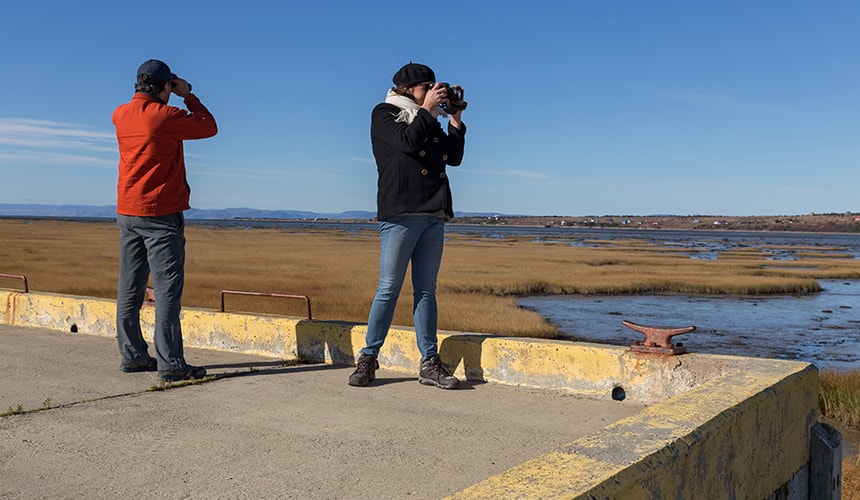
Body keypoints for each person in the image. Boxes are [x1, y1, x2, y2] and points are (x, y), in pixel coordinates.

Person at [349, 62, 467, 389]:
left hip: (433, 211)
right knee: (388, 288)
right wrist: (428, 111)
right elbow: (407, 142)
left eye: (434, 87)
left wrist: (455, 119)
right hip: (401, 211)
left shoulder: (428, 118)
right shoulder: (385, 113)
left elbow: (452, 157)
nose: (431, 93)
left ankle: (429, 363)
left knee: (426, 290)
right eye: (426, 87)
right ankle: (368, 359)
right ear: (407, 89)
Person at [112, 59, 218, 382]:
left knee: (129, 287)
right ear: (164, 87)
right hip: (159, 214)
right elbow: (208, 126)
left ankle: (132, 355)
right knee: (168, 290)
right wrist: (188, 94)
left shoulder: (120, 115)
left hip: (127, 211)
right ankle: (170, 363)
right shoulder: (165, 116)